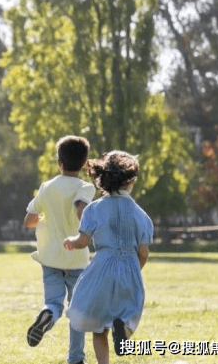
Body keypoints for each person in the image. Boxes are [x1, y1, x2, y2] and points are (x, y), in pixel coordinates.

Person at [63, 151, 153, 364]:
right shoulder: (141, 214)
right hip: (130, 268)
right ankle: (123, 334)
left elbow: (83, 242)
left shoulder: (94, 208)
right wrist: (134, 269)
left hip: (101, 269)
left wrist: (71, 240)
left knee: (98, 324)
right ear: (130, 181)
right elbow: (143, 252)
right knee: (129, 315)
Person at [23, 136, 95, 364]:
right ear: (84, 163)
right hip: (76, 258)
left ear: (58, 162)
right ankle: (75, 358)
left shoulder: (47, 187)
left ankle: (48, 315)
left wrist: (47, 219)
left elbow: (29, 220)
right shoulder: (86, 187)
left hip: (50, 257)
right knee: (77, 310)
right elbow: (81, 212)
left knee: (54, 302)